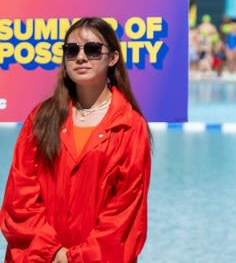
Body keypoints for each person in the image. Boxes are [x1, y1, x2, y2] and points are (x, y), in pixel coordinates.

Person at [0, 17, 152, 262]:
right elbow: (19, 198)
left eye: (92, 49)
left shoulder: (130, 127)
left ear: (112, 58)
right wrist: (52, 252)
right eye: (71, 50)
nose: (80, 57)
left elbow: (124, 212)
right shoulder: (41, 118)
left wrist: (76, 258)